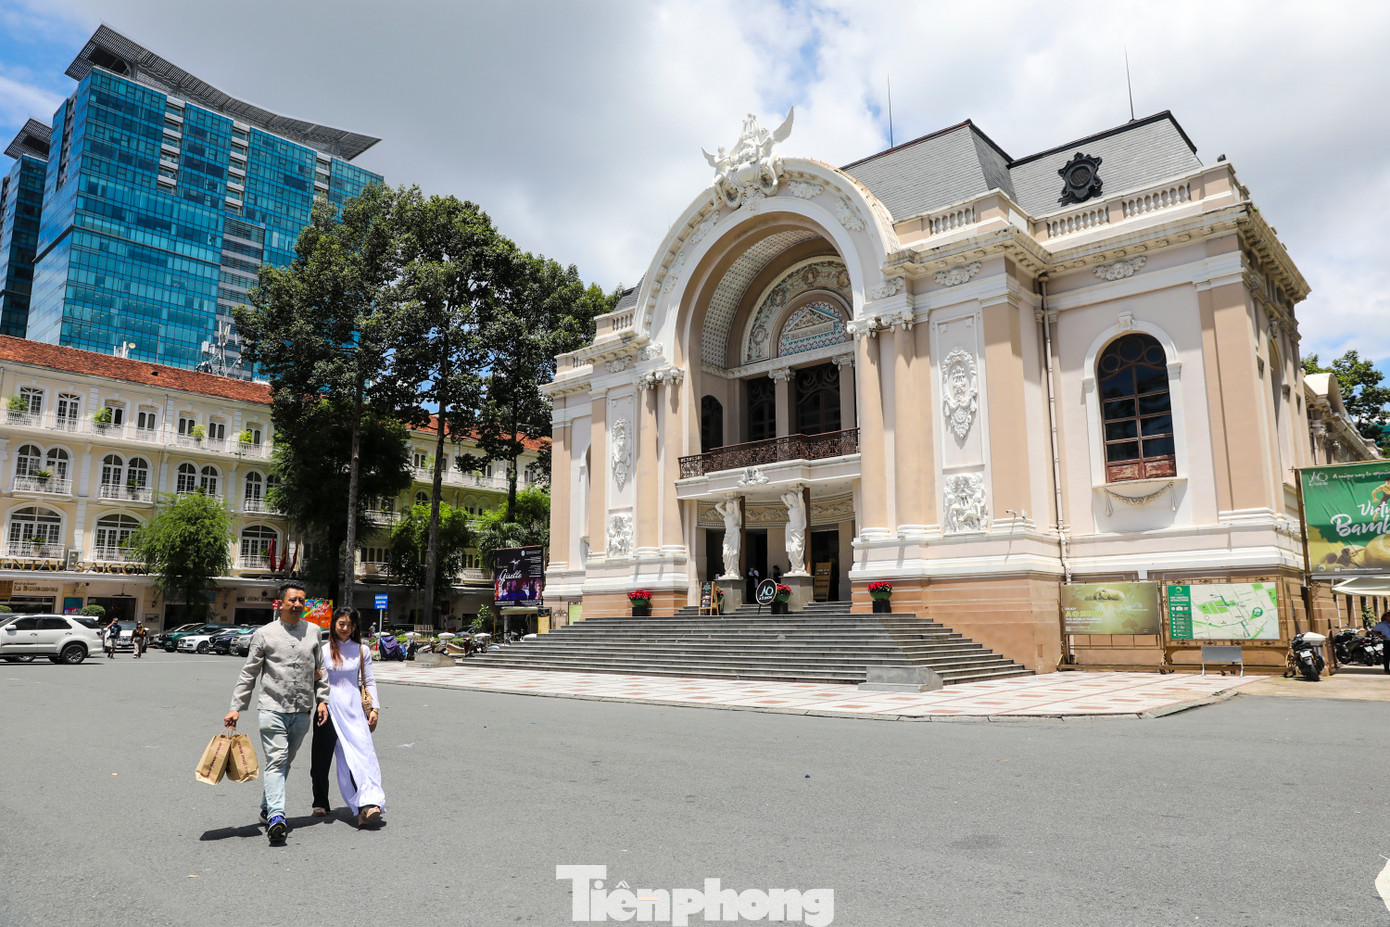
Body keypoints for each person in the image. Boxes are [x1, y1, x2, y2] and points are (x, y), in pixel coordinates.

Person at [224, 582, 328, 845]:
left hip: (303, 711)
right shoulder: (265, 634)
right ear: (280, 604)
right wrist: (236, 707)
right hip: (272, 709)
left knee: (284, 763)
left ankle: (265, 806)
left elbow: (321, 671)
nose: (297, 605)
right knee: (277, 760)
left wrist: (323, 700)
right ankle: (277, 817)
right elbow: (249, 673)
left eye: (301, 601)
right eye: (292, 600)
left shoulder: (314, 632)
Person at [309, 607, 384, 827]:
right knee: (320, 761)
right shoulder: (322, 651)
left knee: (359, 758)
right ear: (333, 624)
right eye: (342, 624)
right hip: (328, 708)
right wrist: (313, 678)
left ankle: (366, 805)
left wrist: (375, 709)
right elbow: (312, 679)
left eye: (350, 625)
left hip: (353, 712)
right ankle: (320, 801)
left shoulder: (362, 650)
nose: (345, 628)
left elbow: (369, 682)